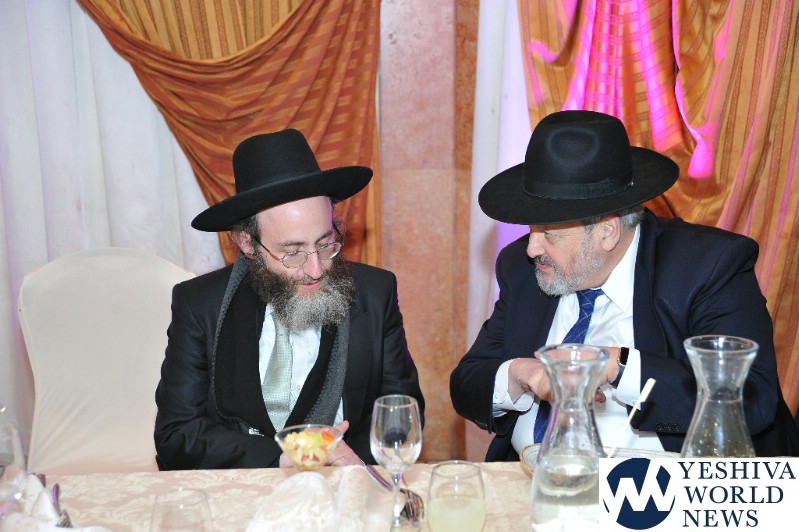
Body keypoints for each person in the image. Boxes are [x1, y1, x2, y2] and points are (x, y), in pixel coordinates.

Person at [450, 110, 799, 459]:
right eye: (531, 229)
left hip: (662, 483)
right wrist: (523, 374)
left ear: (608, 230)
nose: (532, 248)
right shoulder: (524, 268)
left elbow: (750, 397)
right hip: (529, 477)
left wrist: (620, 366)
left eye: (549, 233)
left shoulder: (707, 267)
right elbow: (467, 380)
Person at [155, 129, 424, 469]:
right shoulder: (200, 304)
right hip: (245, 489)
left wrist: (349, 462)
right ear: (247, 243)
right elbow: (176, 435)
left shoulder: (375, 293)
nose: (315, 269)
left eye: (325, 244)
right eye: (293, 252)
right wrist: (284, 458)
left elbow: (402, 416)